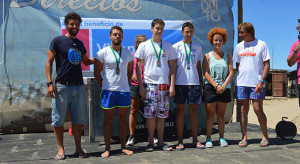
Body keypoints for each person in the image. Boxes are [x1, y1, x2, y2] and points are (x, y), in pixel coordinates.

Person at [45, 12, 95, 160]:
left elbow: (86, 62)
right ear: (66, 25)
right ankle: (61, 149)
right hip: (61, 86)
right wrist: (49, 83)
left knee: (78, 121)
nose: (74, 26)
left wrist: (100, 58)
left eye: (77, 24)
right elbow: (49, 62)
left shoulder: (80, 44)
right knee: (58, 120)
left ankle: (78, 148)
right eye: (72, 24)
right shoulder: (57, 41)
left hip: (79, 87)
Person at [135, 18, 176, 151]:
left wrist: (172, 86)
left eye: (162, 29)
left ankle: (161, 142)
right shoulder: (144, 46)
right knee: (150, 116)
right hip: (149, 85)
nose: (159, 31)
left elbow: (172, 68)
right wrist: (141, 86)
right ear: (152, 28)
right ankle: (151, 141)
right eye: (157, 28)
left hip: (164, 85)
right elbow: (138, 66)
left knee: (162, 116)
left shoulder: (169, 46)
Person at [94, 26, 134, 158]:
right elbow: (97, 73)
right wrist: (105, 86)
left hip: (124, 91)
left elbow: (129, 73)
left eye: (119, 35)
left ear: (122, 37)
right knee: (108, 119)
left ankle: (123, 147)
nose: (117, 37)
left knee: (123, 120)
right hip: (108, 92)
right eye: (115, 34)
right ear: (110, 36)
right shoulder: (102, 53)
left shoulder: (128, 53)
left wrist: (122, 84)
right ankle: (107, 148)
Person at [233, 22, 270, 147]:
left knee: (257, 109)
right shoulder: (239, 46)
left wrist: (262, 81)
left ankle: (265, 135)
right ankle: (244, 137)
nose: (240, 35)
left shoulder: (261, 44)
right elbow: (238, 66)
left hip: (257, 83)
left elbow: (267, 65)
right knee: (243, 110)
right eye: (239, 32)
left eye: (242, 32)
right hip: (242, 83)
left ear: (250, 32)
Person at [172, 22, 205, 150]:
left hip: (194, 83)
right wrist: (172, 84)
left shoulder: (197, 47)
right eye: (186, 31)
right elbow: (173, 66)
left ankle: (195, 140)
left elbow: (198, 66)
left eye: (191, 31)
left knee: (193, 112)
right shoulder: (176, 47)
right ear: (182, 32)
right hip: (180, 83)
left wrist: (201, 83)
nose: (189, 34)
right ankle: (180, 141)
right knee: (180, 112)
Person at [202, 27, 233, 148]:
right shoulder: (207, 56)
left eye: (220, 40)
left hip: (224, 89)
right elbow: (205, 73)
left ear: (223, 41)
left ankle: (222, 138)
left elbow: (231, 73)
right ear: (212, 41)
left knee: (221, 115)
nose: (218, 42)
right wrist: (215, 86)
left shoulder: (228, 56)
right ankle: (209, 139)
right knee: (210, 115)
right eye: (215, 40)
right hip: (210, 88)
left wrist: (223, 86)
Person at [126, 35, 159, 146]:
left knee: (150, 111)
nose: (142, 44)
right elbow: (127, 70)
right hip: (135, 85)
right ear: (136, 43)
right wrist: (131, 76)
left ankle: (152, 135)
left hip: (148, 85)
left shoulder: (150, 54)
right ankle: (131, 136)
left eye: (145, 42)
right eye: (140, 42)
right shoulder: (132, 56)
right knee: (134, 110)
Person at [287, 19, 300, 105]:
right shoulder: (295, 44)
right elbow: (290, 63)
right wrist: (296, 50)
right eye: (297, 28)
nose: (299, 30)